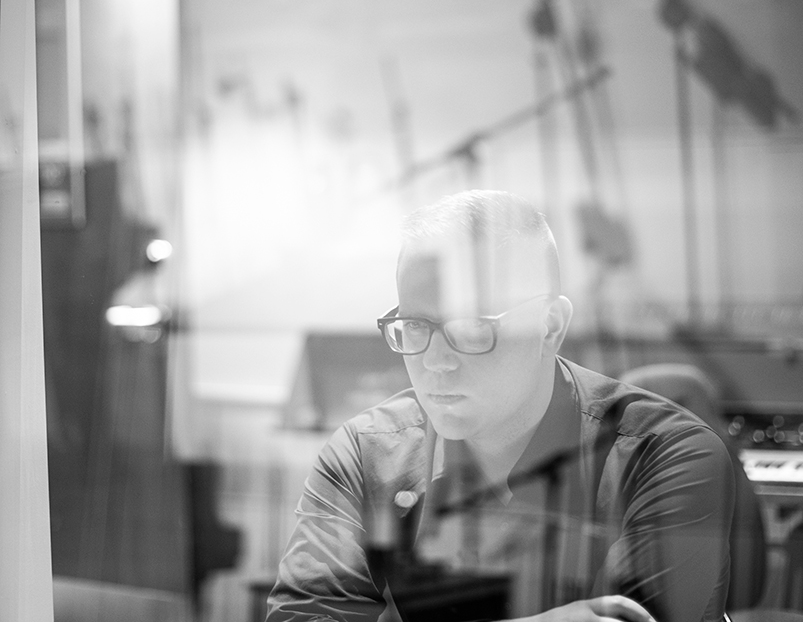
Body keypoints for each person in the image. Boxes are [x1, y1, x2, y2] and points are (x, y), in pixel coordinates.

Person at [267, 190, 734, 622]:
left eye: (471, 327)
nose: (435, 362)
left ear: (549, 327)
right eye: (414, 325)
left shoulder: (669, 455)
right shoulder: (367, 453)